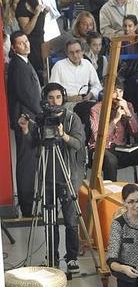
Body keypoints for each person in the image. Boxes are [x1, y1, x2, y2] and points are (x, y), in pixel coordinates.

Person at [18, 82, 85, 274]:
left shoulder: (72, 119)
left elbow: (79, 144)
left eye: (58, 97)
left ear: (63, 97)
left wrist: (63, 135)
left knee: (71, 220)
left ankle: (71, 258)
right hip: (47, 176)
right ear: (44, 99)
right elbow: (34, 145)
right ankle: (52, 256)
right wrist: (25, 130)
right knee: (50, 220)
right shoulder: (41, 120)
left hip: (68, 176)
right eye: (50, 97)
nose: (54, 101)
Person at [89, 78, 138, 187]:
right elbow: (97, 137)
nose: (118, 95)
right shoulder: (96, 109)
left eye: (120, 91)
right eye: (115, 92)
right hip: (100, 149)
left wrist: (128, 114)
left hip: (120, 148)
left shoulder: (128, 105)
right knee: (111, 160)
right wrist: (115, 120)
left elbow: (136, 133)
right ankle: (111, 195)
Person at [7, 32, 42, 217]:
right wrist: (40, 112)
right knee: (26, 163)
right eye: (21, 43)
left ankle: (28, 204)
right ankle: (27, 207)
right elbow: (26, 94)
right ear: (14, 47)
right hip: (25, 120)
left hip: (30, 117)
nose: (26, 45)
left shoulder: (25, 62)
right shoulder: (17, 65)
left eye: (27, 41)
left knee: (29, 162)